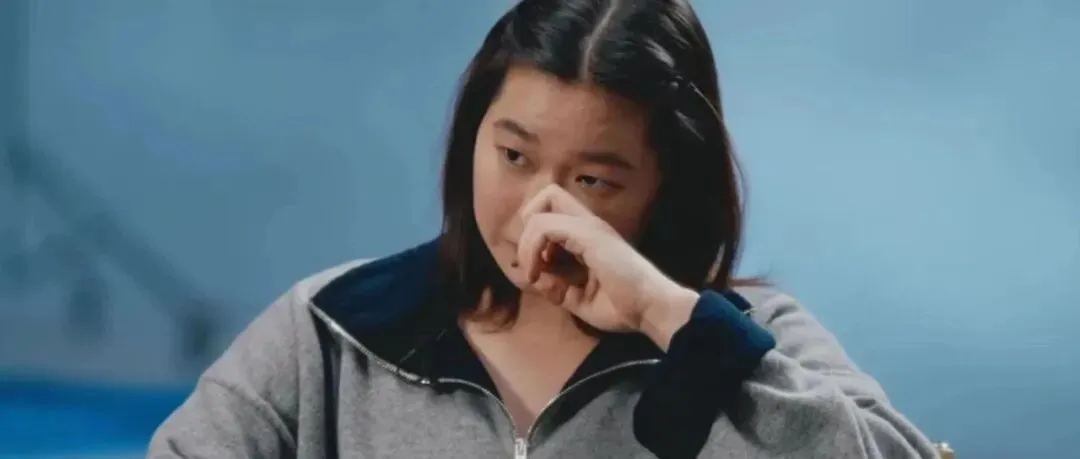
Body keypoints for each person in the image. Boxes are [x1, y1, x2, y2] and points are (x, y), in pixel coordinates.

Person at [149, 0, 939, 457]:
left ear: (668, 185)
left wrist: (666, 314)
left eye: (593, 180)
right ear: (473, 137)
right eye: (514, 156)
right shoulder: (330, 332)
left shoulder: (754, 342)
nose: (540, 211)